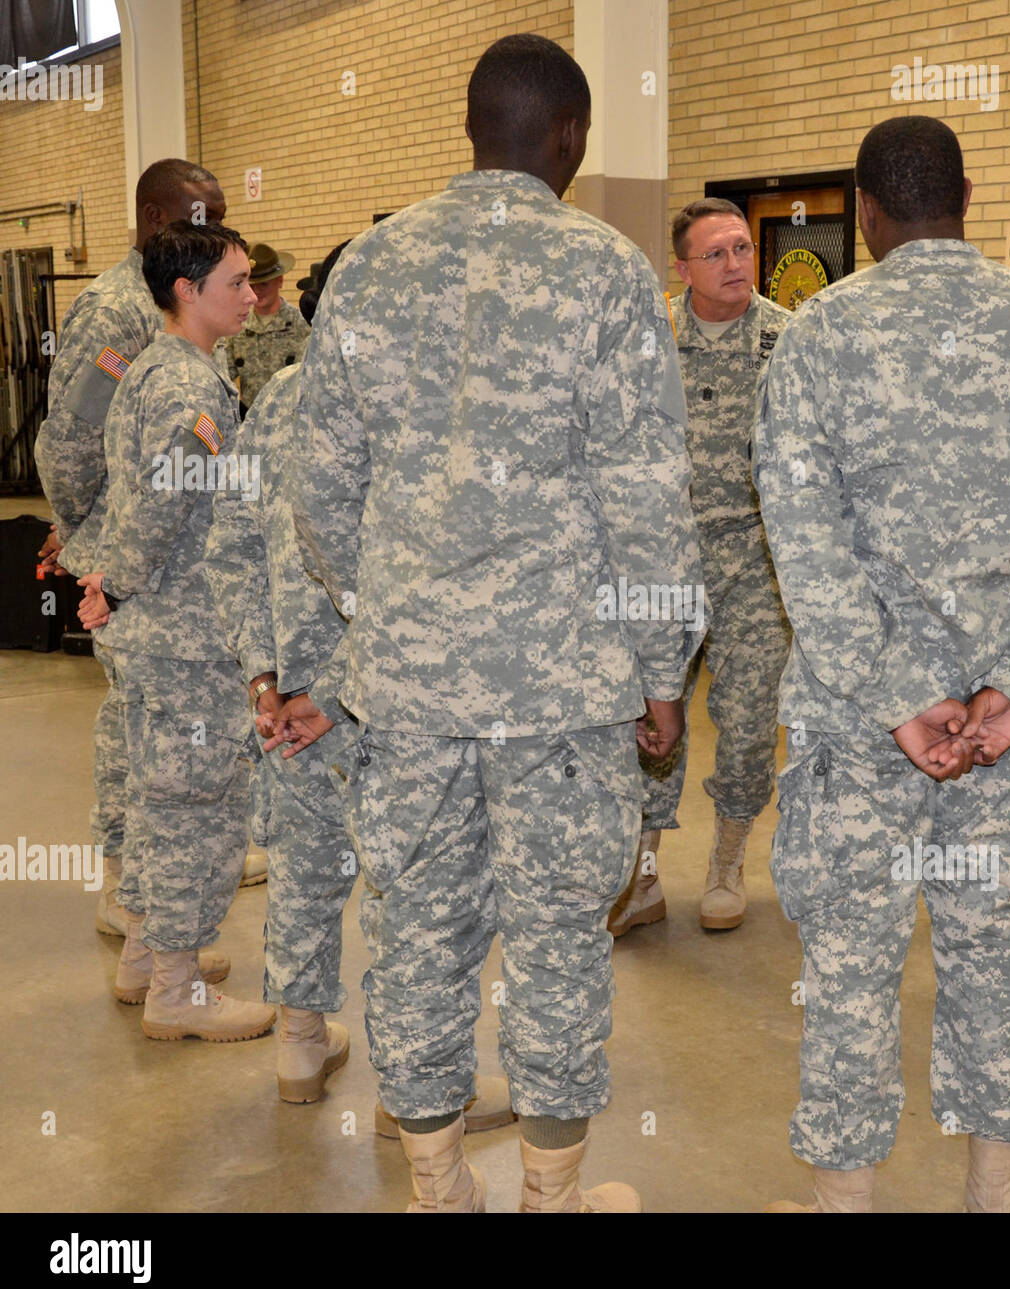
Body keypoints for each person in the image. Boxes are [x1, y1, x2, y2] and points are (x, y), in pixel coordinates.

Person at [268, 34, 705, 1212]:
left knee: (415, 926)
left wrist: (389, 607)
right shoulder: (604, 270)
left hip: (406, 692)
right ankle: (552, 1197)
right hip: (565, 691)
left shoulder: (369, 265)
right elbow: (645, 496)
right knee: (559, 931)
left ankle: (435, 1187)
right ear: (568, 138)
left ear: (470, 129)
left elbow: (317, 486)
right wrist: (661, 669)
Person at [755, 115, 1010, 1213]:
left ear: (864, 212)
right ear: (969, 198)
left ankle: (847, 1205)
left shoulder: (816, 336)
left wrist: (895, 697)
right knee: (990, 964)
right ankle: (993, 1197)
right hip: (1003, 737)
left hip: (857, 734)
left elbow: (803, 537)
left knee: (848, 971)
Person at [205, 238, 517, 1127]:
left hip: (295, 696)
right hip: (388, 695)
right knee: (410, 885)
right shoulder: (429, 413)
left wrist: (265, 676)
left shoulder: (278, 398)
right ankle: (416, 1093)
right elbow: (435, 574)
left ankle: (301, 1041)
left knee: (308, 867)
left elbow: (230, 542)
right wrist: (329, 692)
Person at [31, 159, 272, 937]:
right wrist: (90, 540)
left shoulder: (193, 300)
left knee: (167, 734)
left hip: (164, 555)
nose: (221, 233)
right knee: (148, 730)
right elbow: (68, 440)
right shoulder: (115, 310)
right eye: (205, 217)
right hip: (137, 558)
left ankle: (159, 884)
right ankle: (133, 880)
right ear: (157, 217)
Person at [76, 221, 276, 1043]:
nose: (252, 296)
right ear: (186, 291)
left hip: (161, 626)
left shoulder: (163, 368)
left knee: (164, 797)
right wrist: (114, 583)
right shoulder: (189, 389)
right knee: (196, 805)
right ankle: (176, 987)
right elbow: (161, 505)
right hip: (189, 635)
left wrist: (112, 582)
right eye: (235, 282)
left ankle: (147, 958)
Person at [611, 198, 791, 937]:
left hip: (754, 558)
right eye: (715, 254)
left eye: (744, 248)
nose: (736, 264)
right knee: (654, 721)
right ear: (681, 267)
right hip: (666, 555)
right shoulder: (648, 337)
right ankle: (646, 873)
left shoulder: (785, 337)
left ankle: (725, 860)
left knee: (748, 721)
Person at [221, 242, 311, 416]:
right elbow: (225, 375)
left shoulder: (300, 325)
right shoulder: (238, 326)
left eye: (264, 284)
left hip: (288, 418)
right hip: (249, 417)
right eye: (252, 285)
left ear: (280, 281)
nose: (257, 292)